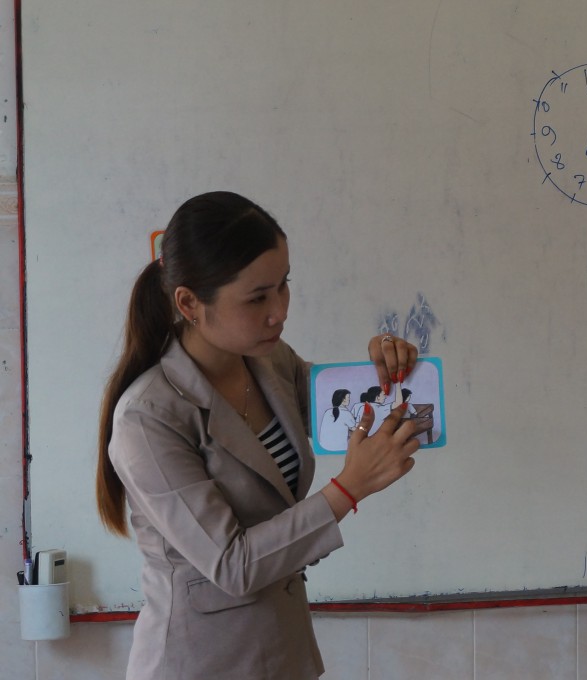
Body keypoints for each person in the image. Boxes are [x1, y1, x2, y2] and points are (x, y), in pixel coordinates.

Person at [95, 191, 421, 680]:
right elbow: (232, 566)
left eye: (283, 286)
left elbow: (351, 412)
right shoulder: (147, 418)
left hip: (284, 652)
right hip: (202, 664)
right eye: (257, 298)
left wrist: (385, 368)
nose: (279, 312)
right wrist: (348, 489)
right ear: (188, 302)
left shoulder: (270, 360)